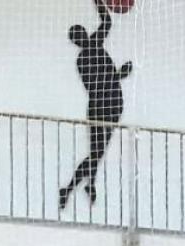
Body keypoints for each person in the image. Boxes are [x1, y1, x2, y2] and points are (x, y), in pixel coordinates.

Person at [59, 0, 134, 210]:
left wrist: (98, 2)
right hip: (101, 108)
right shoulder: (83, 59)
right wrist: (120, 74)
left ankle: (83, 186)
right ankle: (76, 188)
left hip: (113, 105)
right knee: (96, 153)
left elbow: (107, 21)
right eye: (78, 35)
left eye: (82, 31)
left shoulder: (95, 44)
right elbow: (98, 87)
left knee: (97, 153)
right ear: (77, 41)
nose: (82, 35)